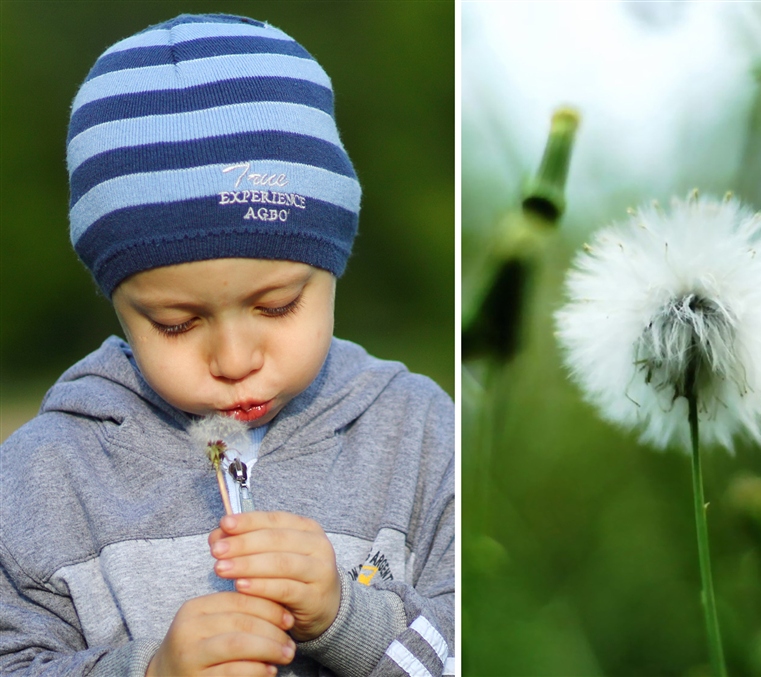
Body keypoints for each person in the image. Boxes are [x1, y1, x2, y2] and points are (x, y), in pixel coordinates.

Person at [0, 13, 454, 677]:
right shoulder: (47, 475)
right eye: (177, 322)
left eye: (277, 305)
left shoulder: (419, 437)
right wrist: (148, 671)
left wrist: (345, 619)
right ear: (118, 303)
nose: (237, 359)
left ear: (333, 266)